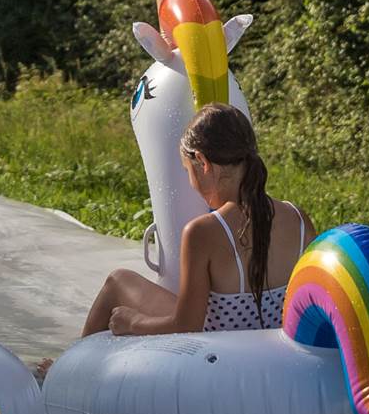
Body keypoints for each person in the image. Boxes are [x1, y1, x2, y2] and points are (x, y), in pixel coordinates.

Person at [82, 103, 314, 337]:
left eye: (187, 170)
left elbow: (186, 326)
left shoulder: (203, 232)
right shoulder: (299, 218)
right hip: (271, 348)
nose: (191, 183)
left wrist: (133, 322)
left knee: (118, 281)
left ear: (202, 163)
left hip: (215, 351)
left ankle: (66, 369)